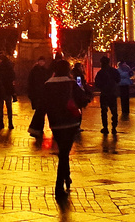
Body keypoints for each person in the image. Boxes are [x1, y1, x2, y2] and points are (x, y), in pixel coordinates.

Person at [38, 58, 89, 199]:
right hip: (71, 122)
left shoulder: (48, 85)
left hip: (55, 123)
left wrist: (37, 125)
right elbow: (83, 99)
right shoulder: (71, 84)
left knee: (63, 150)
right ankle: (59, 185)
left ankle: (66, 177)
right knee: (64, 152)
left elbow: (42, 105)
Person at [94, 56, 121, 135]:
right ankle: (114, 127)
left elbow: (97, 83)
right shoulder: (114, 71)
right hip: (112, 93)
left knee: (104, 111)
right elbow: (118, 79)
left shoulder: (100, 72)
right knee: (114, 111)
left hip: (104, 93)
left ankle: (105, 127)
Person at [27, 57, 51, 139]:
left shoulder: (45, 70)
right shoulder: (34, 71)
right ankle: (37, 129)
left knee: (41, 112)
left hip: (43, 94)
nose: (41, 63)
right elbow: (31, 83)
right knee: (40, 111)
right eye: (40, 61)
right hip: (37, 95)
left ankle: (38, 129)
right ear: (38, 62)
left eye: (43, 61)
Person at [0, 52, 16, 130]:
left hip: (1, 89)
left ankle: (1, 123)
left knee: (1, 107)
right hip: (8, 89)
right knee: (9, 107)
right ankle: (10, 123)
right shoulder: (10, 67)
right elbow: (13, 77)